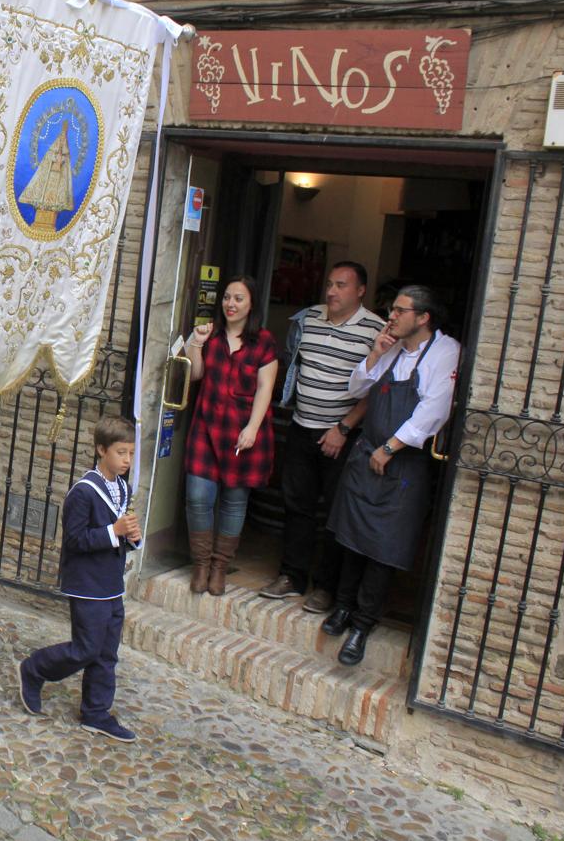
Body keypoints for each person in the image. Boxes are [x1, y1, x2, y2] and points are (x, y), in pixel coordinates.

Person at [323, 285, 460, 666]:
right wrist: (375, 353)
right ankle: (343, 606)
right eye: (391, 310)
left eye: (400, 311)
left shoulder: (445, 352)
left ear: (423, 317)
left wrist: (391, 448)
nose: (392, 317)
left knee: (384, 548)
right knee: (351, 537)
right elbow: (358, 388)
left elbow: (435, 410)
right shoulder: (392, 348)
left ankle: (363, 626)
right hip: (368, 455)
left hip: (402, 464)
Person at [260, 262, 384, 612]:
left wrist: (343, 428)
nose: (331, 291)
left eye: (341, 285)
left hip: (341, 436)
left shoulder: (375, 330)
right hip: (302, 427)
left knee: (335, 513)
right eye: (329, 284)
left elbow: (375, 389)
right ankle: (292, 576)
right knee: (296, 505)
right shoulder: (307, 319)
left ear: (360, 290)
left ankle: (326, 587)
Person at [17, 416, 143, 741]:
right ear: (101, 450)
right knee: (86, 649)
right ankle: (35, 668)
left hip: (112, 583)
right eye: (120, 452)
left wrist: (130, 537)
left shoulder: (123, 488)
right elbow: (74, 540)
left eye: (131, 453)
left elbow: (119, 535)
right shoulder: (83, 492)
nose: (127, 460)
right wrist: (112, 532)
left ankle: (96, 712)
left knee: (107, 652)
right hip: (87, 584)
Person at [182, 275, 278, 597]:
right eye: (227, 297)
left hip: (242, 431)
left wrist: (252, 427)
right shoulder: (211, 336)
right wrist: (196, 343)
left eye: (238, 298)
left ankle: (220, 565)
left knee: (234, 502)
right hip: (207, 428)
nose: (230, 304)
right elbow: (195, 375)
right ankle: (201, 564)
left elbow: (266, 388)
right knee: (198, 497)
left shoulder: (264, 341)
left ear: (251, 304)